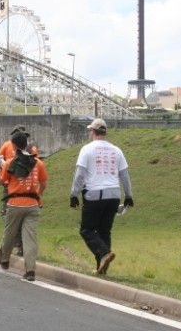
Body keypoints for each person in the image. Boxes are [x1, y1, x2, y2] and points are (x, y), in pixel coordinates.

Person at [69, 118, 134, 275]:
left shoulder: (87, 149)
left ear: (93, 132)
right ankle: (102, 268)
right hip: (114, 195)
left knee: (87, 230)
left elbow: (79, 175)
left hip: (94, 195)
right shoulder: (116, 150)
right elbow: (124, 175)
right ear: (104, 132)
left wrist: (74, 194)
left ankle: (105, 255)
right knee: (105, 231)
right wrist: (128, 195)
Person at [0, 131, 47, 281]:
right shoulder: (38, 163)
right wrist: (38, 194)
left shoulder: (10, 162)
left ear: (14, 145)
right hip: (33, 204)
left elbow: (0, 181)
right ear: (27, 144)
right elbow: (43, 183)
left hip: (15, 204)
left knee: (9, 233)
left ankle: (4, 260)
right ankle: (30, 271)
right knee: (30, 238)